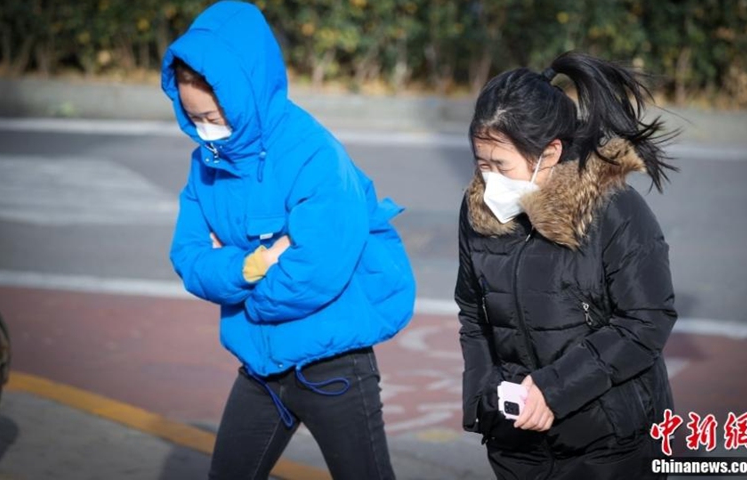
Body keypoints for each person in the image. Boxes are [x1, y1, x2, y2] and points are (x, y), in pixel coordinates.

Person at [160, 2, 415, 479]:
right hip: (260, 367)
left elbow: (315, 268)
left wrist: (246, 299)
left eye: (213, 115)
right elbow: (189, 258)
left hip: (333, 365)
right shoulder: (206, 162)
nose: (205, 131)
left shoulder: (313, 153)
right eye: (193, 118)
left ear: (247, 93)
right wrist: (251, 267)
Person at [455, 51, 678, 480]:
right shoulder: (477, 210)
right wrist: (483, 401)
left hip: (611, 447)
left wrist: (553, 391)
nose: (488, 179)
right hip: (518, 445)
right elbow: (472, 312)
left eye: (500, 165)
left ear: (550, 152)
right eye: (481, 163)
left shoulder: (613, 209)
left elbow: (646, 320)